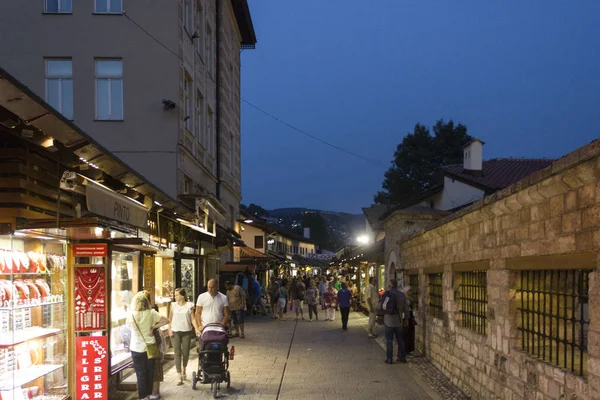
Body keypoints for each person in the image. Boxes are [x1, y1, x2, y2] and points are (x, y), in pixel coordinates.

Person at [127, 290, 168, 400]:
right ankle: (149, 395)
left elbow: (128, 326)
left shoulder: (131, 314)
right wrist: (153, 327)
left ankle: (142, 397)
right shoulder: (151, 313)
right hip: (149, 347)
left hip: (136, 348)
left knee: (140, 373)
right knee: (150, 372)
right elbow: (166, 320)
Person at [168, 288, 197, 385]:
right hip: (175, 331)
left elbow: (193, 318)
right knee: (177, 353)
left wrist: (196, 328)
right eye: (175, 295)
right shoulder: (173, 305)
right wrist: (169, 329)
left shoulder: (189, 306)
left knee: (185, 352)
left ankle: (184, 368)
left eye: (177, 295)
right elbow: (170, 318)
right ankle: (179, 374)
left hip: (187, 332)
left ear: (182, 296)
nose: (175, 297)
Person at [381, 279, 409, 364]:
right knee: (400, 339)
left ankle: (389, 358)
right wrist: (406, 318)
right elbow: (406, 308)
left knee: (389, 340)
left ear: (390, 285)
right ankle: (402, 357)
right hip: (398, 320)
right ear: (397, 285)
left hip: (388, 320)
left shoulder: (386, 294)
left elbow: (381, 306)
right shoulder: (402, 295)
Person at [402, 285, 416, 356]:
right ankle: (405, 350)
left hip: (410, 317)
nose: (411, 292)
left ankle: (409, 349)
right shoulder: (405, 299)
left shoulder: (409, 299)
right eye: (409, 291)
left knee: (410, 333)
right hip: (407, 318)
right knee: (406, 334)